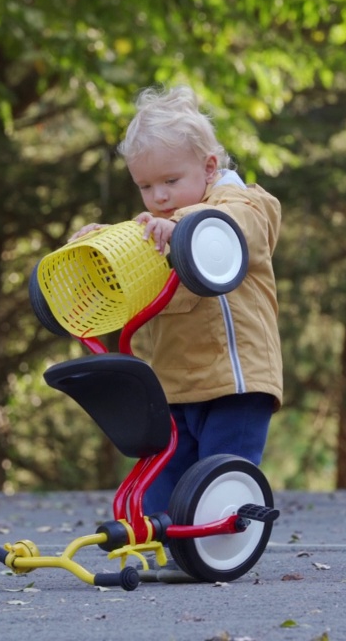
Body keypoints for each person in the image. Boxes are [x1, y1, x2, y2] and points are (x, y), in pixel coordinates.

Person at [71, 85, 283, 516]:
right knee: (162, 485)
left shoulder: (241, 204)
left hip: (234, 383)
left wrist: (183, 225)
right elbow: (126, 274)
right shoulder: (156, 228)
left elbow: (234, 225)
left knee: (219, 477)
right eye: (146, 186)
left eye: (171, 181)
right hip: (176, 388)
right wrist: (104, 245)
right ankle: (157, 539)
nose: (160, 197)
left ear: (208, 168)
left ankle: (225, 544)